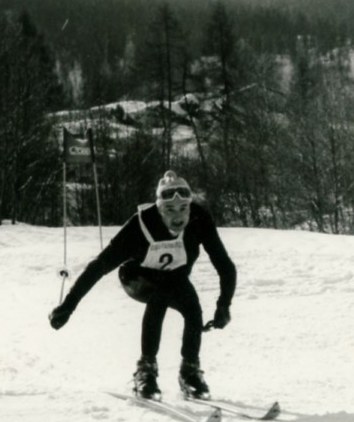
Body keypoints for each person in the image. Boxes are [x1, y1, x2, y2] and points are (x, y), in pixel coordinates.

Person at [48, 170, 236, 401]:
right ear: (159, 209)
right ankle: (145, 370)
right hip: (136, 277)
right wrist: (68, 306)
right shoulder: (141, 225)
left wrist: (224, 305)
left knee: (193, 309)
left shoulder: (199, 219)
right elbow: (99, 267)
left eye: (183, 208)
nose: (178, 217)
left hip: (173, 277)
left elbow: (225, 265)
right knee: (160, 295)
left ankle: (190, 371)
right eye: (170, 210)